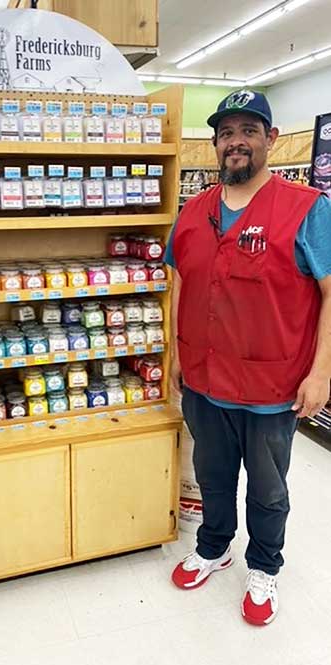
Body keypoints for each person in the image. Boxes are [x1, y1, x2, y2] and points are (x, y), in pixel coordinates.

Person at [166, 90, 331, 626]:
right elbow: (178, 283)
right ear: (215, 143)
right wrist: (174, 354)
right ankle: (214, 547)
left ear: (270, 139)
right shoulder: (192, 211)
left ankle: (264, 566)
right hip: (205, 378)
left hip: (270, 383)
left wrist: (323, 371)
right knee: (212, 475)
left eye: (249, 130)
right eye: (227, 132)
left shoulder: (307, 208)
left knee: (266, 487)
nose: (236, 141)